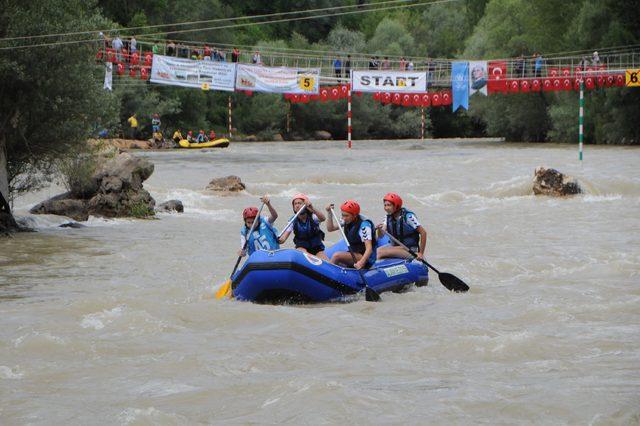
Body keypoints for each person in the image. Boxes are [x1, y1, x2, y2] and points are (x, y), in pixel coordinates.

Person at [325, 200, 376, 269]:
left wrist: (361, 263)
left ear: (354, 215)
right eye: (342, 215)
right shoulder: (347, 219)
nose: (344, 218)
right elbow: (330, 228)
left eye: (346, 216)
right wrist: (329, 213)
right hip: (355, 253)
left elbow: (369, 249)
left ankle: (327, 273)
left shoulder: (364, 226)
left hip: (364, 257)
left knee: (336, 256)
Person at [376, 193, 427, 261]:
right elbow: (381, 236)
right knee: (375, 251)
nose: (386, 208)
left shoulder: (408, 217)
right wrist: (379, 230)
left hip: (410, 250)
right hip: (395, 247)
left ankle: (372, 269)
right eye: (385, 205)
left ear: (396, 206)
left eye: (389, 205)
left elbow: (423, 233)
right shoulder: (387, 217)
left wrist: (420, 253)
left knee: (379, 252)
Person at [278, 194, 327, 259]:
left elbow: (323, 218)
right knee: (300, 251)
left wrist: (312, 207)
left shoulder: (313, 217)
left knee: (326, 261)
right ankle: (311, 259)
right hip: (302, 247)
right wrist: (278, 239)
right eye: (295, 204)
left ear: (305, 206)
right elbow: (283, 239)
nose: (297, 205)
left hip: (317, 248)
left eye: (299, 203)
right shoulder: (292, 221)